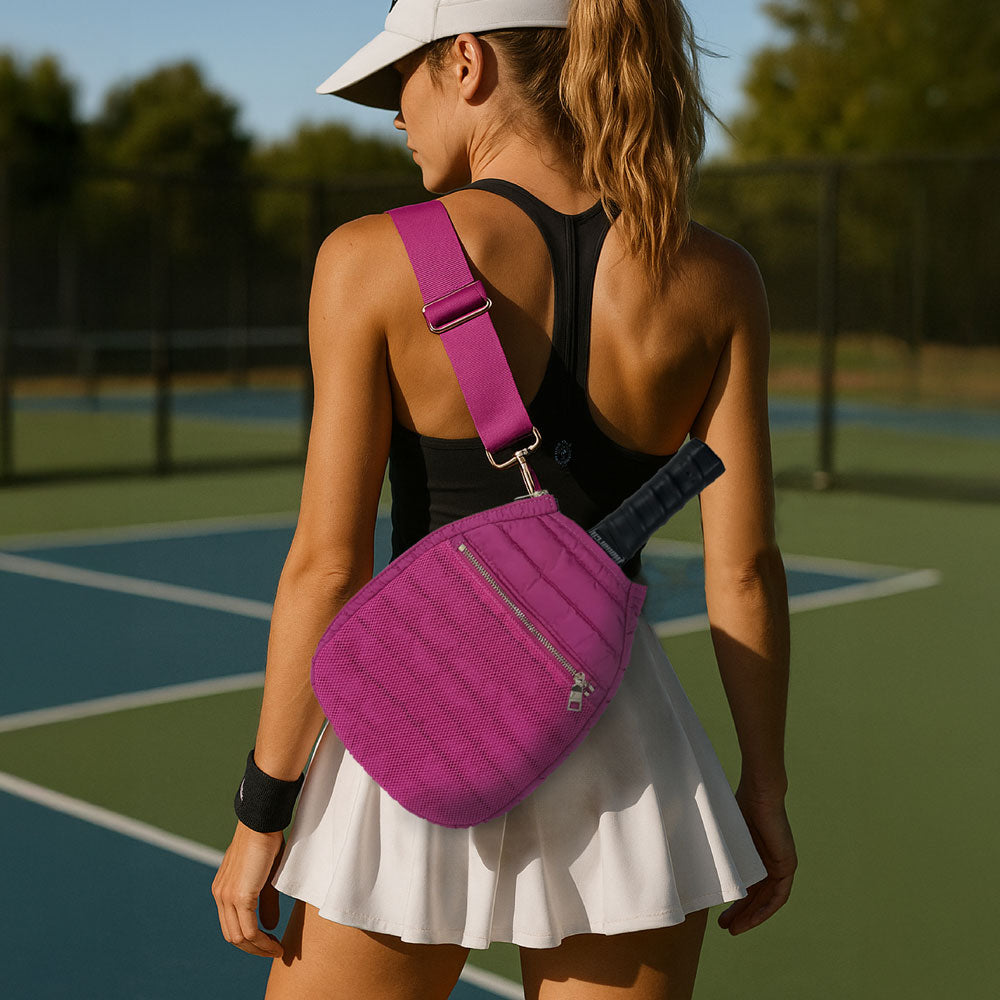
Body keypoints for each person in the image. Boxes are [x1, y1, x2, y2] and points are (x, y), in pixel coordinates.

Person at [211, 1, 796, 997]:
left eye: (403, 80)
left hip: (417, 724)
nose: (395, 114)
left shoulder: (366, 260)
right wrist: (765, 785)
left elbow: (326, 565)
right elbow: (743, 568)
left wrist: (262, 810)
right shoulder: (714, 277)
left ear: (468, 63)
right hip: (624, 739)